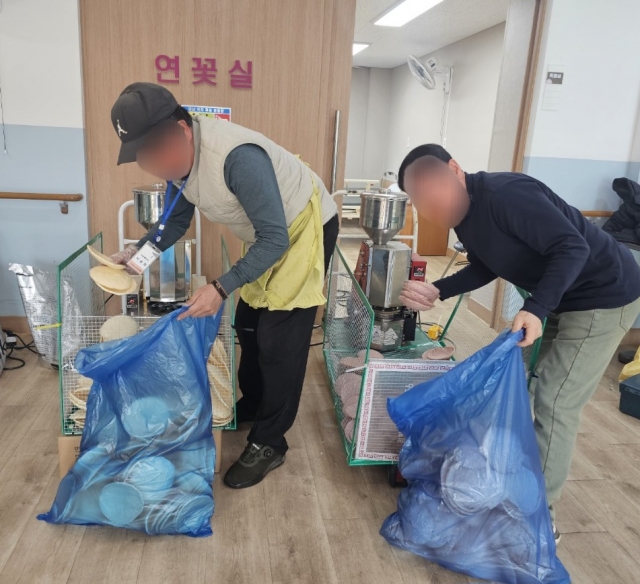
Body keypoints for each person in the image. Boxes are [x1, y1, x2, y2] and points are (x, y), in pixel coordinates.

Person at [397, 143, 640, 539]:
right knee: (520, 382)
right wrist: (439, 290)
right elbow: (486, 264)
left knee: (556, 399)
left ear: (455, 170)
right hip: (560, 297)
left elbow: (572, 246)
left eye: (433, 191)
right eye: (420, 200)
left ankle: (538, 518)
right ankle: (506, 482)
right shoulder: (463, 216)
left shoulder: (507, 195)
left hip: (603, 294)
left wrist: (537, 307)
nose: (431, 207)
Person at [109, 82, 339, 489]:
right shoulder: (178, 165)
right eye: (143, 158)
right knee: (248, 324)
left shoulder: (237, 159)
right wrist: (137, 257)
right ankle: (254, 404)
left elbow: (276, 239)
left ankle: (270, 442)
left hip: (303, 227)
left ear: (182, 130)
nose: (155, 166)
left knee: (278, 340)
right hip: (269, 234)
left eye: (156, 153)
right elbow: (174, 221)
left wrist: (219, 287)